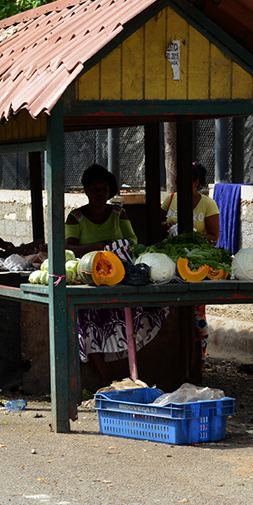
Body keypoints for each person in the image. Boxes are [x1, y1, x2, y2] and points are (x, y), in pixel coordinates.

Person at [65, 164, 168, 384]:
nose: (99, 194)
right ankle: (105, 379)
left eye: (103, 189)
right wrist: (100, 246)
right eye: (93, 189)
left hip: (119, 277)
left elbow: (132, 242)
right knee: (90, 323)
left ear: (109, 191)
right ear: (86, 191)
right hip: (89, 279)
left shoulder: (118, 212)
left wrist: (114, 248)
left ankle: (129, 376)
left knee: (132, 317)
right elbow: (69, 247)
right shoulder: (76, 217)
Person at [161, 162, 220, 358]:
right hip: (168, 265)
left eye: (184, 183)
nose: (179, 188)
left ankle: (198, 360)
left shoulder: (208, 204)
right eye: (177, 183)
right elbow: (155, 225)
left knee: (196, 315)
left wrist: (193, 235)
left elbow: (214, 237)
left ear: (196, 183)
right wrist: (167, 226)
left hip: (195, 266)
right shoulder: (170, 200)